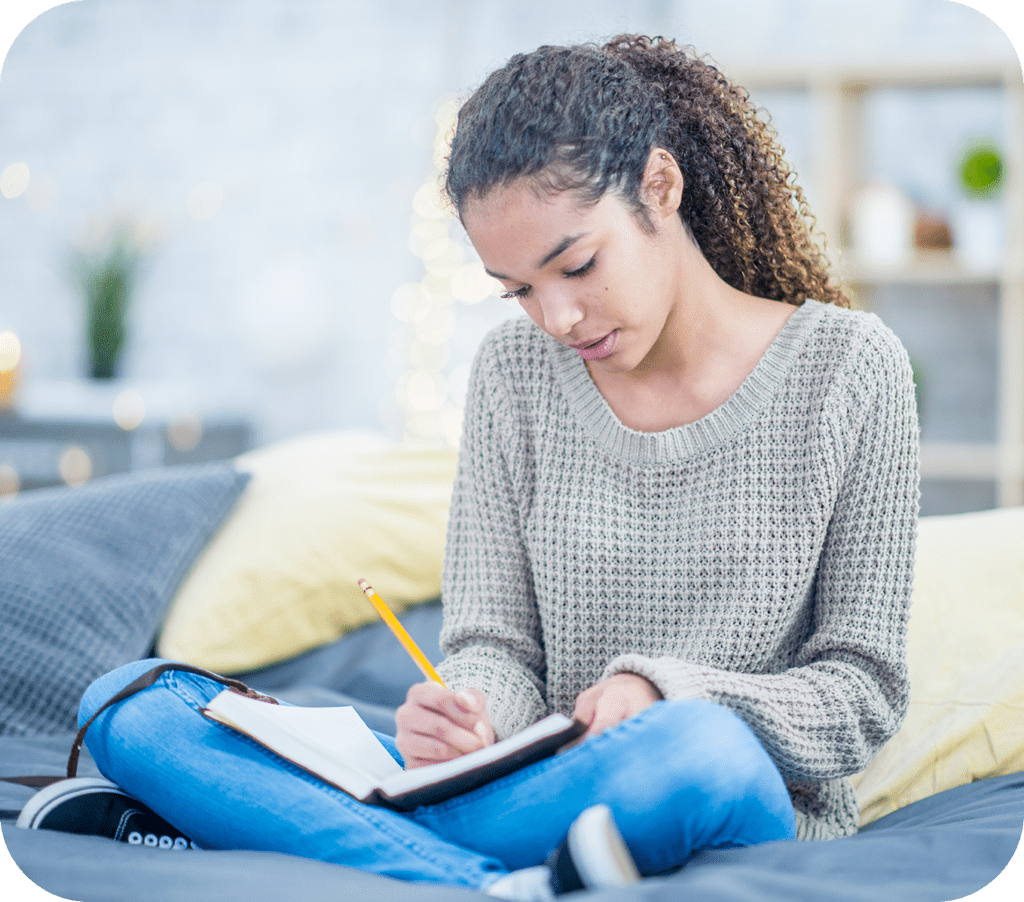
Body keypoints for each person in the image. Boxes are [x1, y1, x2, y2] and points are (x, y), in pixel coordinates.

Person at [19, 34, 919, 900]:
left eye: (578, 265)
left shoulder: (850, 370)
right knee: (136, 703)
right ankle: (498, 886)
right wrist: (472, 716)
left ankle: (295, 830)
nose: (557, 319)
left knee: (701, 745)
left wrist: (663, 693)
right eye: (520, 289)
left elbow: (863, 694)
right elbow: (490, 644)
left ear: (661, 185)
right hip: (522, 791)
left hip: (698, 784)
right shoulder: (513, 376)